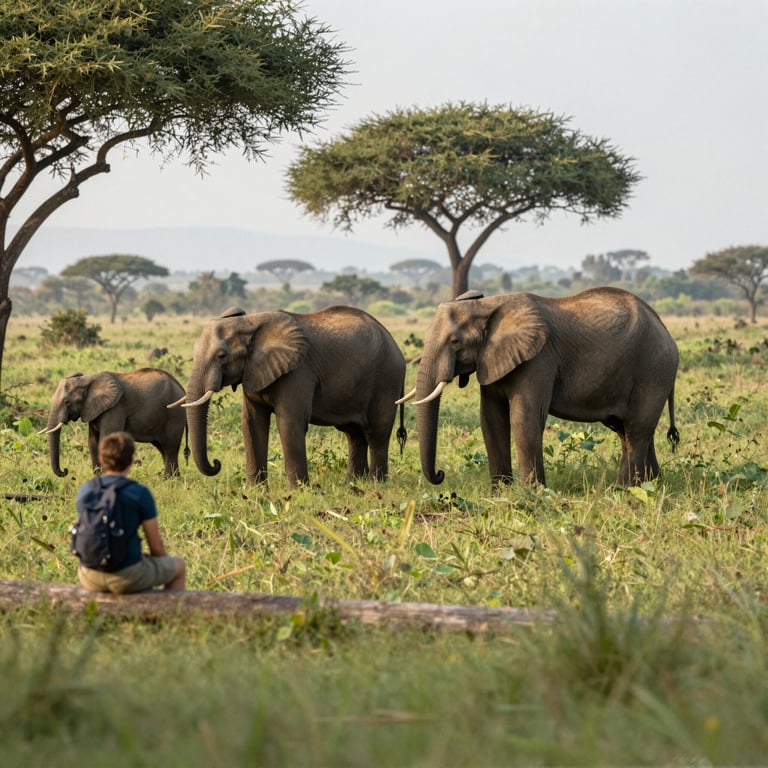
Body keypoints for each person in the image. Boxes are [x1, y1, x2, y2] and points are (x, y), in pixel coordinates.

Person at [75, 431, 186, 594]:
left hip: (88, 574)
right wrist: (159, 565)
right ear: (131, 461)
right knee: (179, 567)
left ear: (101, 460)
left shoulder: (86, 489)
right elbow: (156, 547)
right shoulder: (139, 493)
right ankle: (167, 613)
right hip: (127, 575)